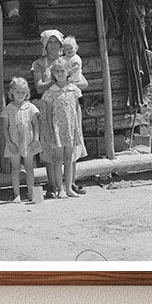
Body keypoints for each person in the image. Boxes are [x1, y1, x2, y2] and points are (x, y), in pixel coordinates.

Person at [40, 59, 87, 199]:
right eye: (57, 71)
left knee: (69, 158)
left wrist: (78, 126)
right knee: (58, 159)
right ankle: (59, 188)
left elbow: (77, 109)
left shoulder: (73, 89)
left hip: (71, 128)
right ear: (53, 73)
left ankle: (69, 188)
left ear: (68, 72)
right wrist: (50, 131)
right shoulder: (50, 92)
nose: (60, 74)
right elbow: (47, 114)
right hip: (57, 130)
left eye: (62, 71)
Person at [1, 76, 41, 203]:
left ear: (27, 93)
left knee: (29, 167)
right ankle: (16, 194)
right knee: (16, 167)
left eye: (23, 92)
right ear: (12, 92)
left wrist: (35, 139)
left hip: (28, 141)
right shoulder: (8, 109)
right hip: (14, 141)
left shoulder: (30, 107)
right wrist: (9, 142)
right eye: (17, 91)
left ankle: (31, 193)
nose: (20, 94)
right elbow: (4, 128)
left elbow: (36, 124)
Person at [32, 29, 64, 97]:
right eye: (50, 42)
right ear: (45, 45)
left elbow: (84, 84)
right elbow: (39, 88)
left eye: (56, 42)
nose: (53, 45)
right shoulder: (38, 64)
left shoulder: (67, 61)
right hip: (48, 102)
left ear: (60, 44)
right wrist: (55, 81)